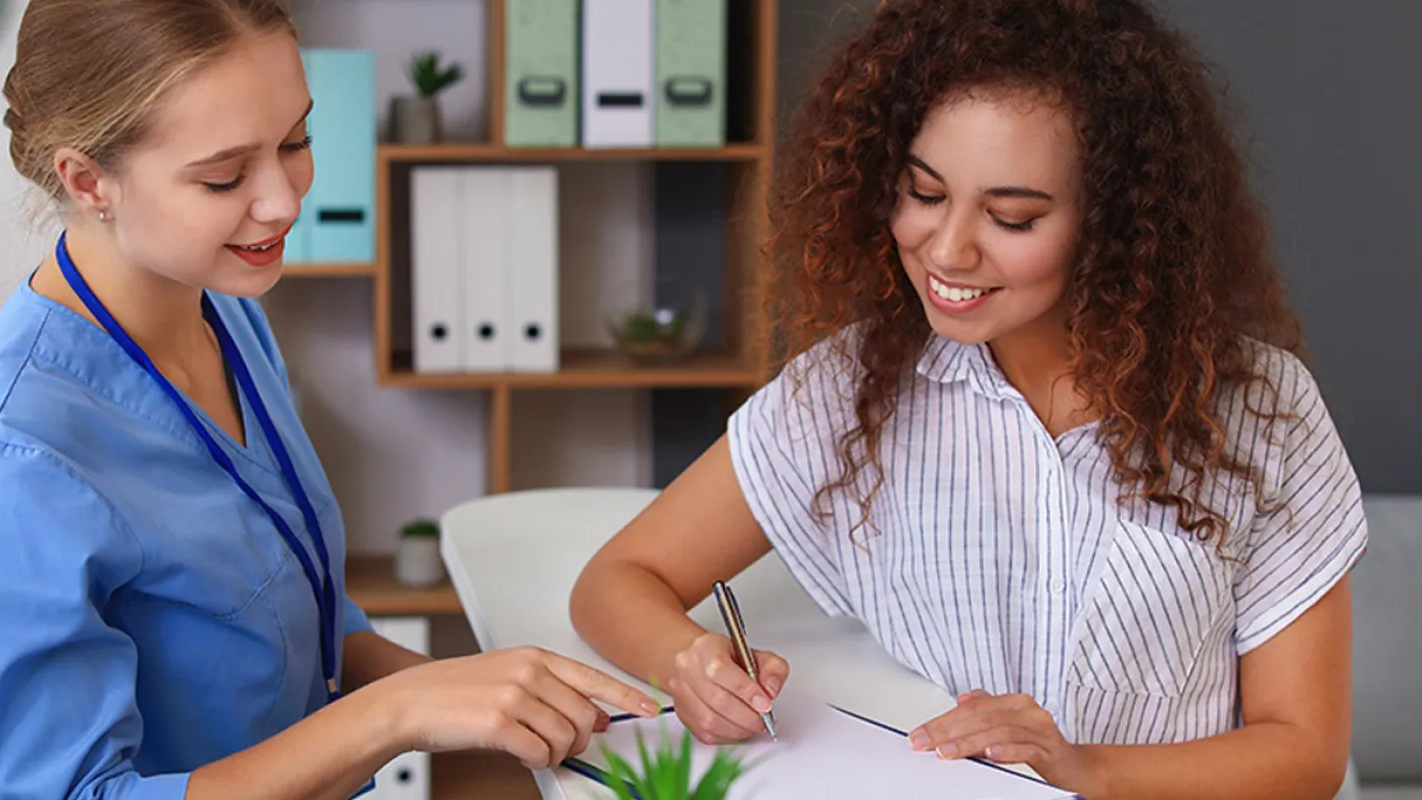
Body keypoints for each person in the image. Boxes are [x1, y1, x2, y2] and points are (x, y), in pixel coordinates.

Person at [569, 1, 1366, 798]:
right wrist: (689, 661)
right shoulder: (854, 390)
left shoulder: (1262, 410)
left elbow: (1304, 754)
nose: (948, 249)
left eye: (1011, 217)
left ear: (1115, 224)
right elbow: (617, 578)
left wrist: (1081, 768)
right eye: (923, 192)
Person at [0, 2, 660, 798]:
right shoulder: (5, 459)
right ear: (89, 180)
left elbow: (290, 612)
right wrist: (396, 713)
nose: (284, 200)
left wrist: (488, 698)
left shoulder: (226, 317)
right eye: (225, 175)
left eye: (295, 141)